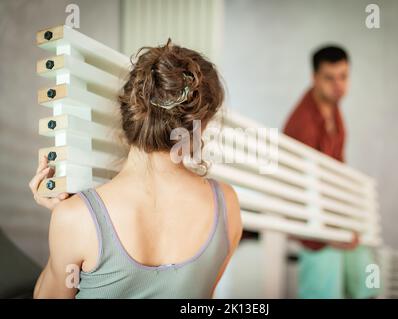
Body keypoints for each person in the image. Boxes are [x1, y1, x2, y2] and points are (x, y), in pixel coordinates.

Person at [28, 40, 243, 298]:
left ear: (128, 111)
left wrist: (65, 223)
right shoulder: (227, 205)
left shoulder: (77, 219)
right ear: (201, 126)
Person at [283, 45, 379, 299]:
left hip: (331, 210)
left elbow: (337, 171)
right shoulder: (303, 124)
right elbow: (296, 191)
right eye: (329, 77)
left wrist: (345, 219)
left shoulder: (333, 109)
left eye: (343, 76)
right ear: (315, 78)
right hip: (309, 219)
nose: (338, 85)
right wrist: (326, 234)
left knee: (363, 264)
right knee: (326, 280)